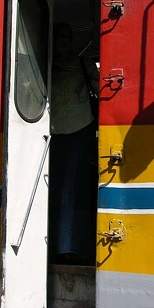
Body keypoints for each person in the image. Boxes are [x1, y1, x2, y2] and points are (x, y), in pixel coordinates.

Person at [48, 22, 98, 265]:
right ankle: (56, 246)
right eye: (60, 37)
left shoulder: (83, 63)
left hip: (80, 132)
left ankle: (75, 247)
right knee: (55, 191)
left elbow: (99, 89)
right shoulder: (45, 66)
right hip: (52, 133)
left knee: (76, 192)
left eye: (68, 36)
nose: (65, 41)